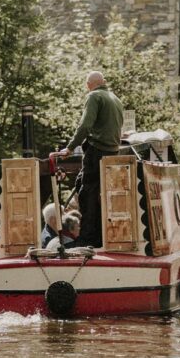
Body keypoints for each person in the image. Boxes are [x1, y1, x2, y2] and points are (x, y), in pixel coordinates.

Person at [55, 71, 124, 248]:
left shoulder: (94, 96)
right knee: (85, 186)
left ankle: (88, 238)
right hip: (112, 152)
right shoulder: (115, 98)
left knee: (88, 193)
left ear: (88, 85)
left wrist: (70, 147)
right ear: (104, 82)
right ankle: (101, 232)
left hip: (97, 150)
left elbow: (85, 124)